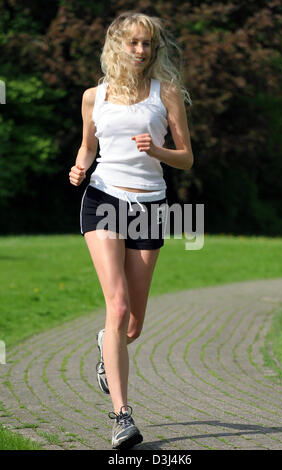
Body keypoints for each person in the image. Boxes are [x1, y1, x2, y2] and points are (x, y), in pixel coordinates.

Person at [69, 11, 193, 450]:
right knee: (117, 305)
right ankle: (122, 417)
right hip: (103, 200)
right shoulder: (94, 96)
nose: (141, 51)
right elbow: (88, 145)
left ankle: (106, 345)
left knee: (131, 326)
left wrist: (157, 149)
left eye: (147, 44)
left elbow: (186, 158)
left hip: (150, 207)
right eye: (133, 43)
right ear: (117, 45)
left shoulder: (167, 94)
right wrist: (80, 167)